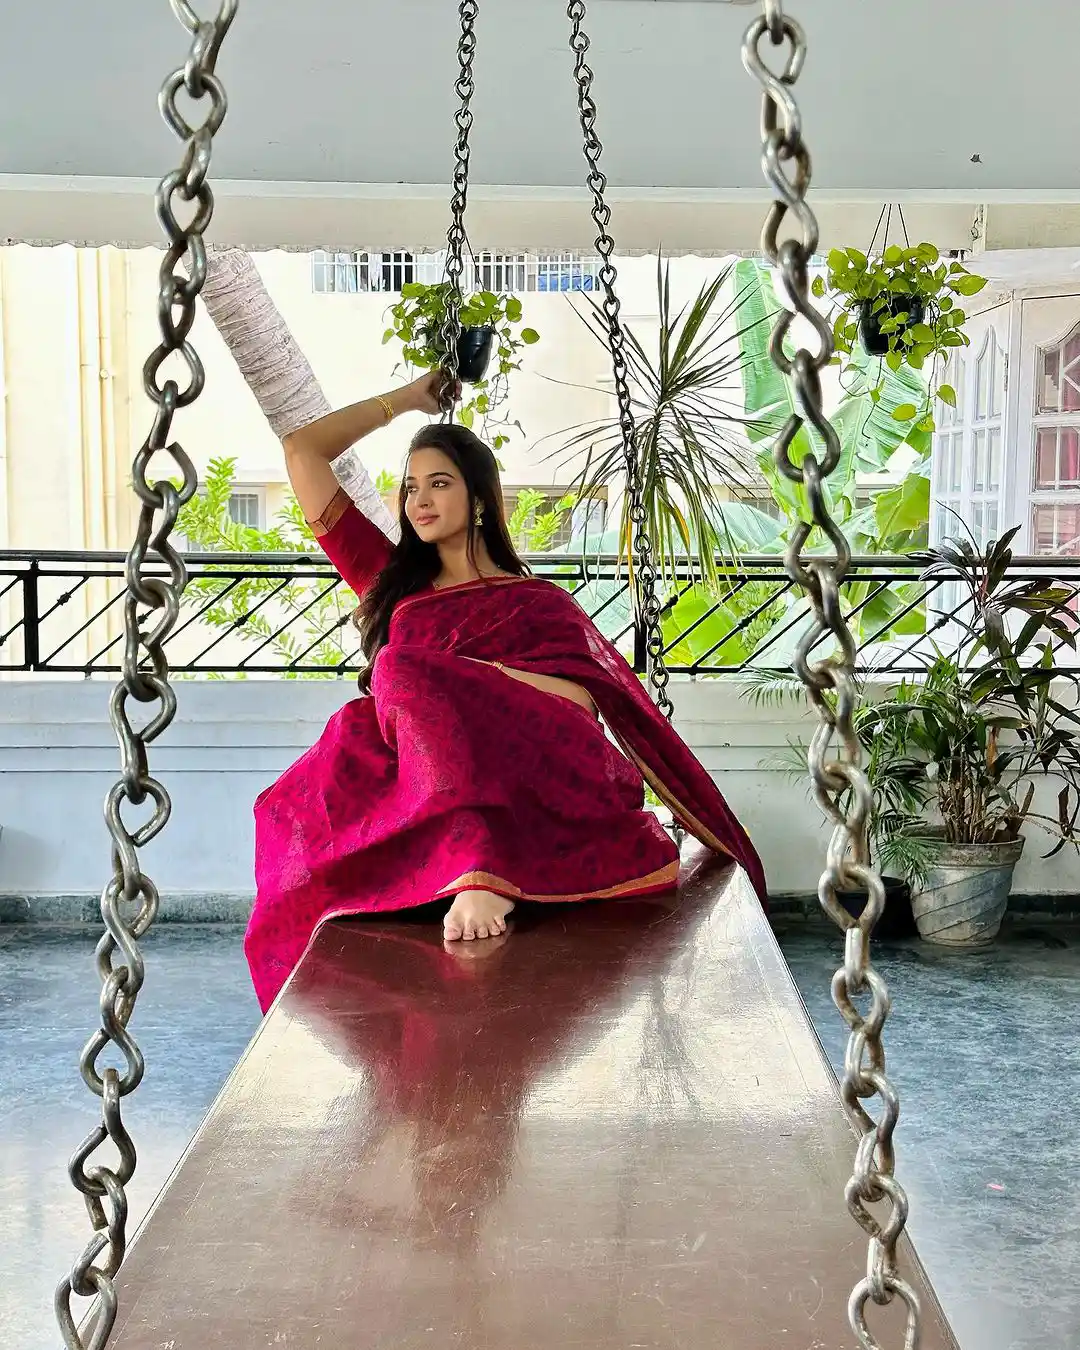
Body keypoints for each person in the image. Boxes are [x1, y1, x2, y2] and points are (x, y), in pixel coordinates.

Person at [244, 372, 766, 1012]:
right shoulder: (390, 581)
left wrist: (467, 680)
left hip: (531, 766)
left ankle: (485, 871)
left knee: (405, 670)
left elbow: (578, 703)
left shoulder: (540, 602)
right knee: (348, 735)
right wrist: (406, 401)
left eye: (439, 483)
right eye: (410, 488)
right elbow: (302, 452)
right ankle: (460, 862)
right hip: (420, 779)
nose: (418, 501)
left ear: (480, 497)